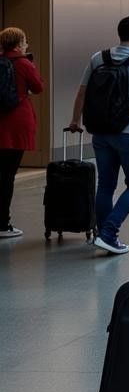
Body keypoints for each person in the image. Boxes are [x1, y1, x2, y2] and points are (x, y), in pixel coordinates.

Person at [68, 16, 129, 256]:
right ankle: (109, 233)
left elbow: (82, 93)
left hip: (100, 132)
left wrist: (74, 121)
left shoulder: (98, 58)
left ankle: (103, 235)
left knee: (106, 185)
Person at [0, 27, 44, 239]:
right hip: (16, 125)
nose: (26, 45)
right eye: (25, 41)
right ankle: (2, 223)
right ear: (18, 44)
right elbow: (38, 87)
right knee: (7, 176)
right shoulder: (24, 63)